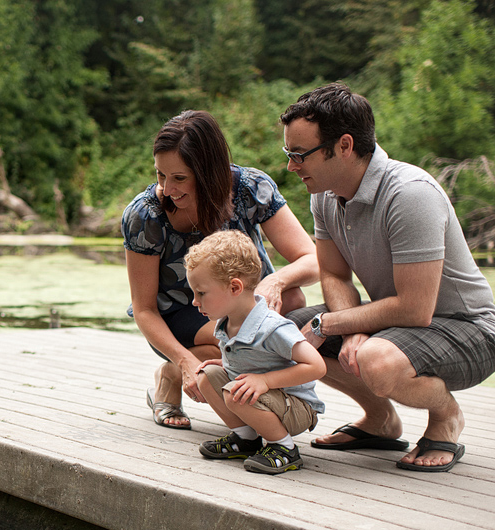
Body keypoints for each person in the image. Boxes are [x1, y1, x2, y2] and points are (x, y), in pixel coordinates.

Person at [280, 82, 495, 472]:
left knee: (376, 361)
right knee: (286, 335)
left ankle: (446, 416)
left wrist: (332, 323)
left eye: (300, 155)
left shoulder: (410, 194)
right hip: (400, 323)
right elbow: (332, 272)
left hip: (470, 330)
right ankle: (380, 419)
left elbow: (416, 308)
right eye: (288, 153)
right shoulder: (324, 193)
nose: (291, 166)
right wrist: (350, 330)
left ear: (344, 145)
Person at [123, 110, 318, 429]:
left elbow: (312, 260)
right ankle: (172, 374)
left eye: (180, 178)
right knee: (232, 338)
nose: (167, 189)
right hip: (182, 312)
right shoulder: (145, 215)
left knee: (293, 299)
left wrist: (277, 281)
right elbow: (144, 309)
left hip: (242, 301)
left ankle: (266, 400)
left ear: (210, 171)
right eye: (161, 175)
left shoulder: (250, 188)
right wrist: (184, 360)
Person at [185, 231, 326, 475]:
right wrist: (226, 363)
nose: (195, 302)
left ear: (234, 287)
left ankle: (284, 449)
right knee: (207, 375)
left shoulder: (272, 327)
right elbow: (256, 362)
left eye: (201, 293)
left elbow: (316, 366)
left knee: (233, 392)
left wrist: (264, 380)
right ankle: (246, 439)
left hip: (296, 408)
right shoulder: (227, 323)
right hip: (267, 401)